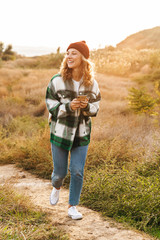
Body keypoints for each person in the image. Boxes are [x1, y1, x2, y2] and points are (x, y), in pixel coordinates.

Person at [45, 41, 101, 220]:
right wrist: (68, 106)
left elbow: (96, 106)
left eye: (74, 53)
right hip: (60, 132)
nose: (69, 56)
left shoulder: (92, 84)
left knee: (77, 171)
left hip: (81, 133)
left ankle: (72, 206)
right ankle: (56, 186)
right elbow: (50, 103)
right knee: (60, 173)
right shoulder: (57, 80)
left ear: (83, 58)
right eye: (67, 53)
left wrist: (86, 107)